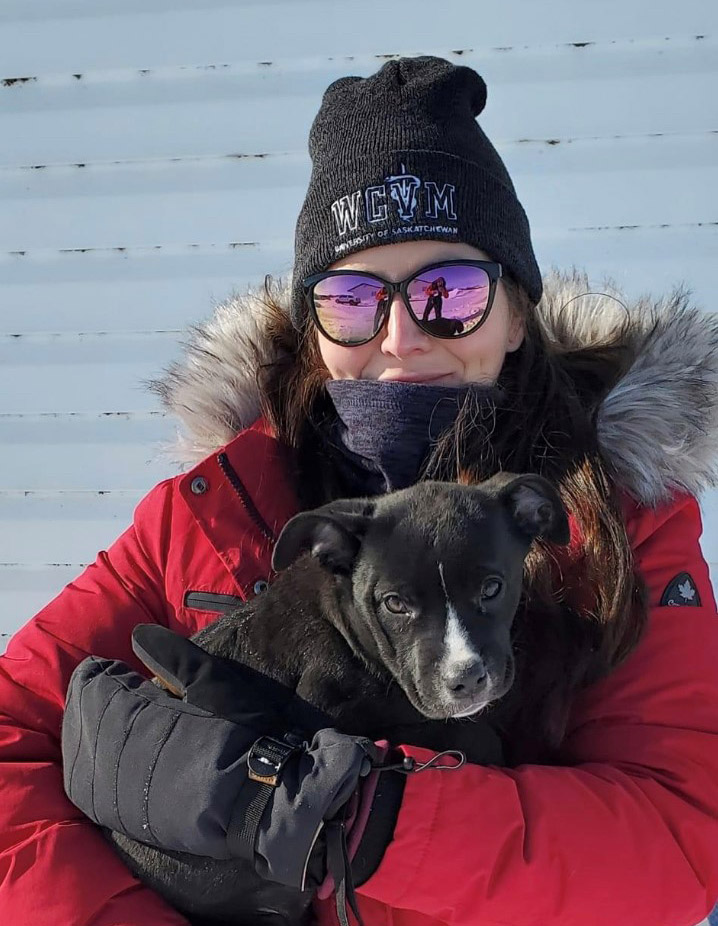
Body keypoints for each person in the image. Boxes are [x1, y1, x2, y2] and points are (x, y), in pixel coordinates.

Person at [2, 55, 718, 926]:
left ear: (518, 310)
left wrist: (362, 818)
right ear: (313, 330)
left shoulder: (611, 524)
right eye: (351, 298)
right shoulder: (208, 510)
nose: (402, 337)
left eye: (449, 292)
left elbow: (678, 846)